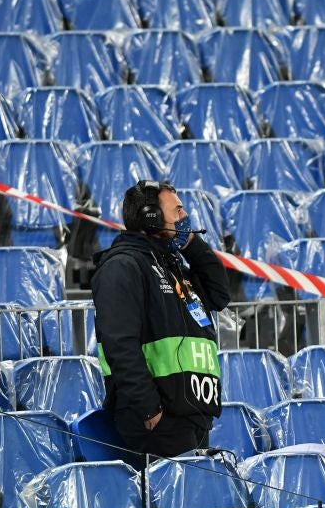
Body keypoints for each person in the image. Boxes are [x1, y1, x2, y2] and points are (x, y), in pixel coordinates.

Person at [91, 180, 230, 458]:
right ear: (150, 218)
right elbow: (119, 343)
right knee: (180, 501)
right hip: (158, 420)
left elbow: (219, 294)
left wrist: (189, 240)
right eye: (177, 211)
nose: (185, 217)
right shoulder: (123, 265)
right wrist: (149, 408)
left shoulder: (171, 265)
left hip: (191, 411)